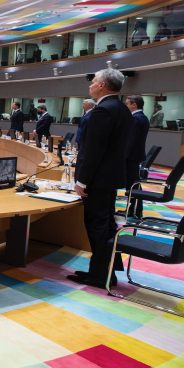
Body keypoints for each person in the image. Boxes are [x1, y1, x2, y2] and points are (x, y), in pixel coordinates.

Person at [68, 68, 132, 288]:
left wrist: (82, 180)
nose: (90, 85)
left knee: (97, 226)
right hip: (110, 178)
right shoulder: (122, 109)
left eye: (93, 81)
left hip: (98, 179)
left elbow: (94, 150)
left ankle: (99, 275)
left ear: (103, 85)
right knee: (106, 225)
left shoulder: (103, 110)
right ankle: (105, 272)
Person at [124, 95, 150, 195]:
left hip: (131, 156)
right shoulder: (142, 117)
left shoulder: (136, 118)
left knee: (132, 182)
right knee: (133, 182)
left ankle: (135, 204)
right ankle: (136, 204)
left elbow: (131, 140)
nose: (126, 106)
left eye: (127, 104)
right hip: (135, 155)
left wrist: (123, 156)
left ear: (134, 105)